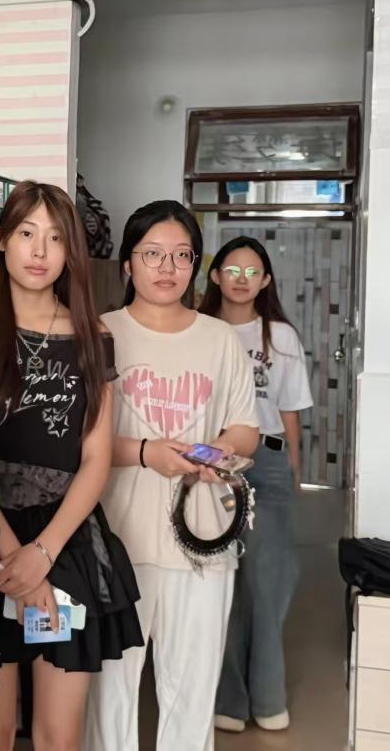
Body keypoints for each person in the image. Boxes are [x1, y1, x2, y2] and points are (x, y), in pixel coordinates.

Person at [0, 180, 143, 751]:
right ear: (1, 240)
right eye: (27, 234)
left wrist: (43, 554)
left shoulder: (93, 335)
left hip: (66, 540)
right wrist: (14, 555)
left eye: (56, 238)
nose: (39, 251)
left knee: (60, 736)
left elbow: (96, 459)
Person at [84, 201, 259, 751]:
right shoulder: (98, 333)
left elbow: (246, 430)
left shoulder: (220, 339)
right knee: (109, 691)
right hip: (116, 538)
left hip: (201, 538)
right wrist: (144, 453)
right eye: (153, 254)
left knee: (191, 690)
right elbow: (73, 443)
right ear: (128, 263)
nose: (168, 267)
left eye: (182, 255)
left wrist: (216, 451)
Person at [200, 235, 314, 733]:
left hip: (266, 462)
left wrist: (293, 470)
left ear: (266, 280)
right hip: (210, 462)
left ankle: (268, 696)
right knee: (220, 578)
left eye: (253, 272)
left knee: (268, 579)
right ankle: (229, 699)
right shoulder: (198, 329)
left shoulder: (281, 337)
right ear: (215, 275)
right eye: (233, 270)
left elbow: (289, 413)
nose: (242, 279)